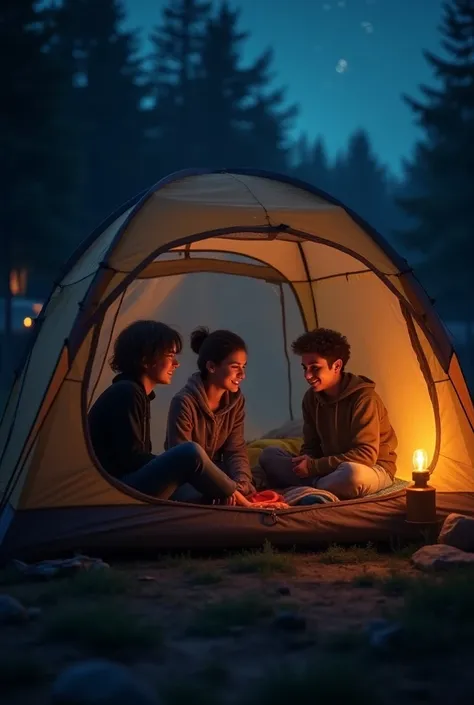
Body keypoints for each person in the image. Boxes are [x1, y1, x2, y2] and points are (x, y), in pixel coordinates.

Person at [88, 320, 257, 507]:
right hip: (118, 488)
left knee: (222, 473)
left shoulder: (137, 394)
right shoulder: (127, 393)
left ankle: (228, 497)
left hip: (127, 482)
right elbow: (132, 460)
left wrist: (237, 482)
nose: (176, 364)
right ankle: (244, 504)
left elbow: (235, 449)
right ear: (145, 359)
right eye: (170, 355)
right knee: (190, 452)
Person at [259, 328, 398, 500]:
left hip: (371, 468)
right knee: (269, 455)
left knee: (351, 475)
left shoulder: (364, 398)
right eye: (305, 368)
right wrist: (307, 460)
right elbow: (311, 445)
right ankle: (319, 485)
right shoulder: (311, 398)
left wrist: (313, 467)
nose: (307, 375)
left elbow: (366, 455)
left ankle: (312, 486)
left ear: (337, 366)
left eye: (315, 368)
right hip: (327, 470)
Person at [165, 326, 256, 497]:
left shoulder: (235, 401)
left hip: (218, 471)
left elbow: (235, 449)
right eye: (235, 367)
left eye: (244, 366)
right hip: (186, 478)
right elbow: (182, 461)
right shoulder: (184, 402)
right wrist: (224, 489)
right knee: (201, 496)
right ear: (211, 367)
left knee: (252, 478)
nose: (242, 374)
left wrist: (241, 483)